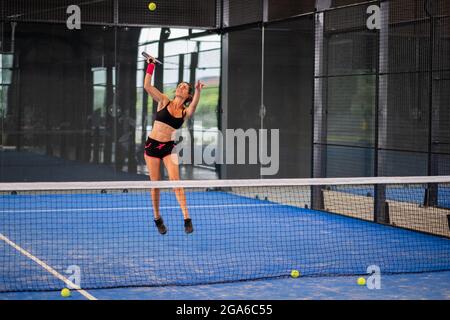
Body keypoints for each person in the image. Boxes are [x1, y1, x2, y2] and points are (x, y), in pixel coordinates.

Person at [143, 55, 205, 235]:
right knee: (155, 185)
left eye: (185, 87)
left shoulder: (185, 112)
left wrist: (199, 91)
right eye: (179, 85)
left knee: (176, 182)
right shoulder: (163, 100)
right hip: (152, 147)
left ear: (187, 95)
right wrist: (150, 66)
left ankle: (187, 218)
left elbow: (193, 107)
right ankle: (157, 218)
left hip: (168, 148)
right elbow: (147, 86)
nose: (181, 87)